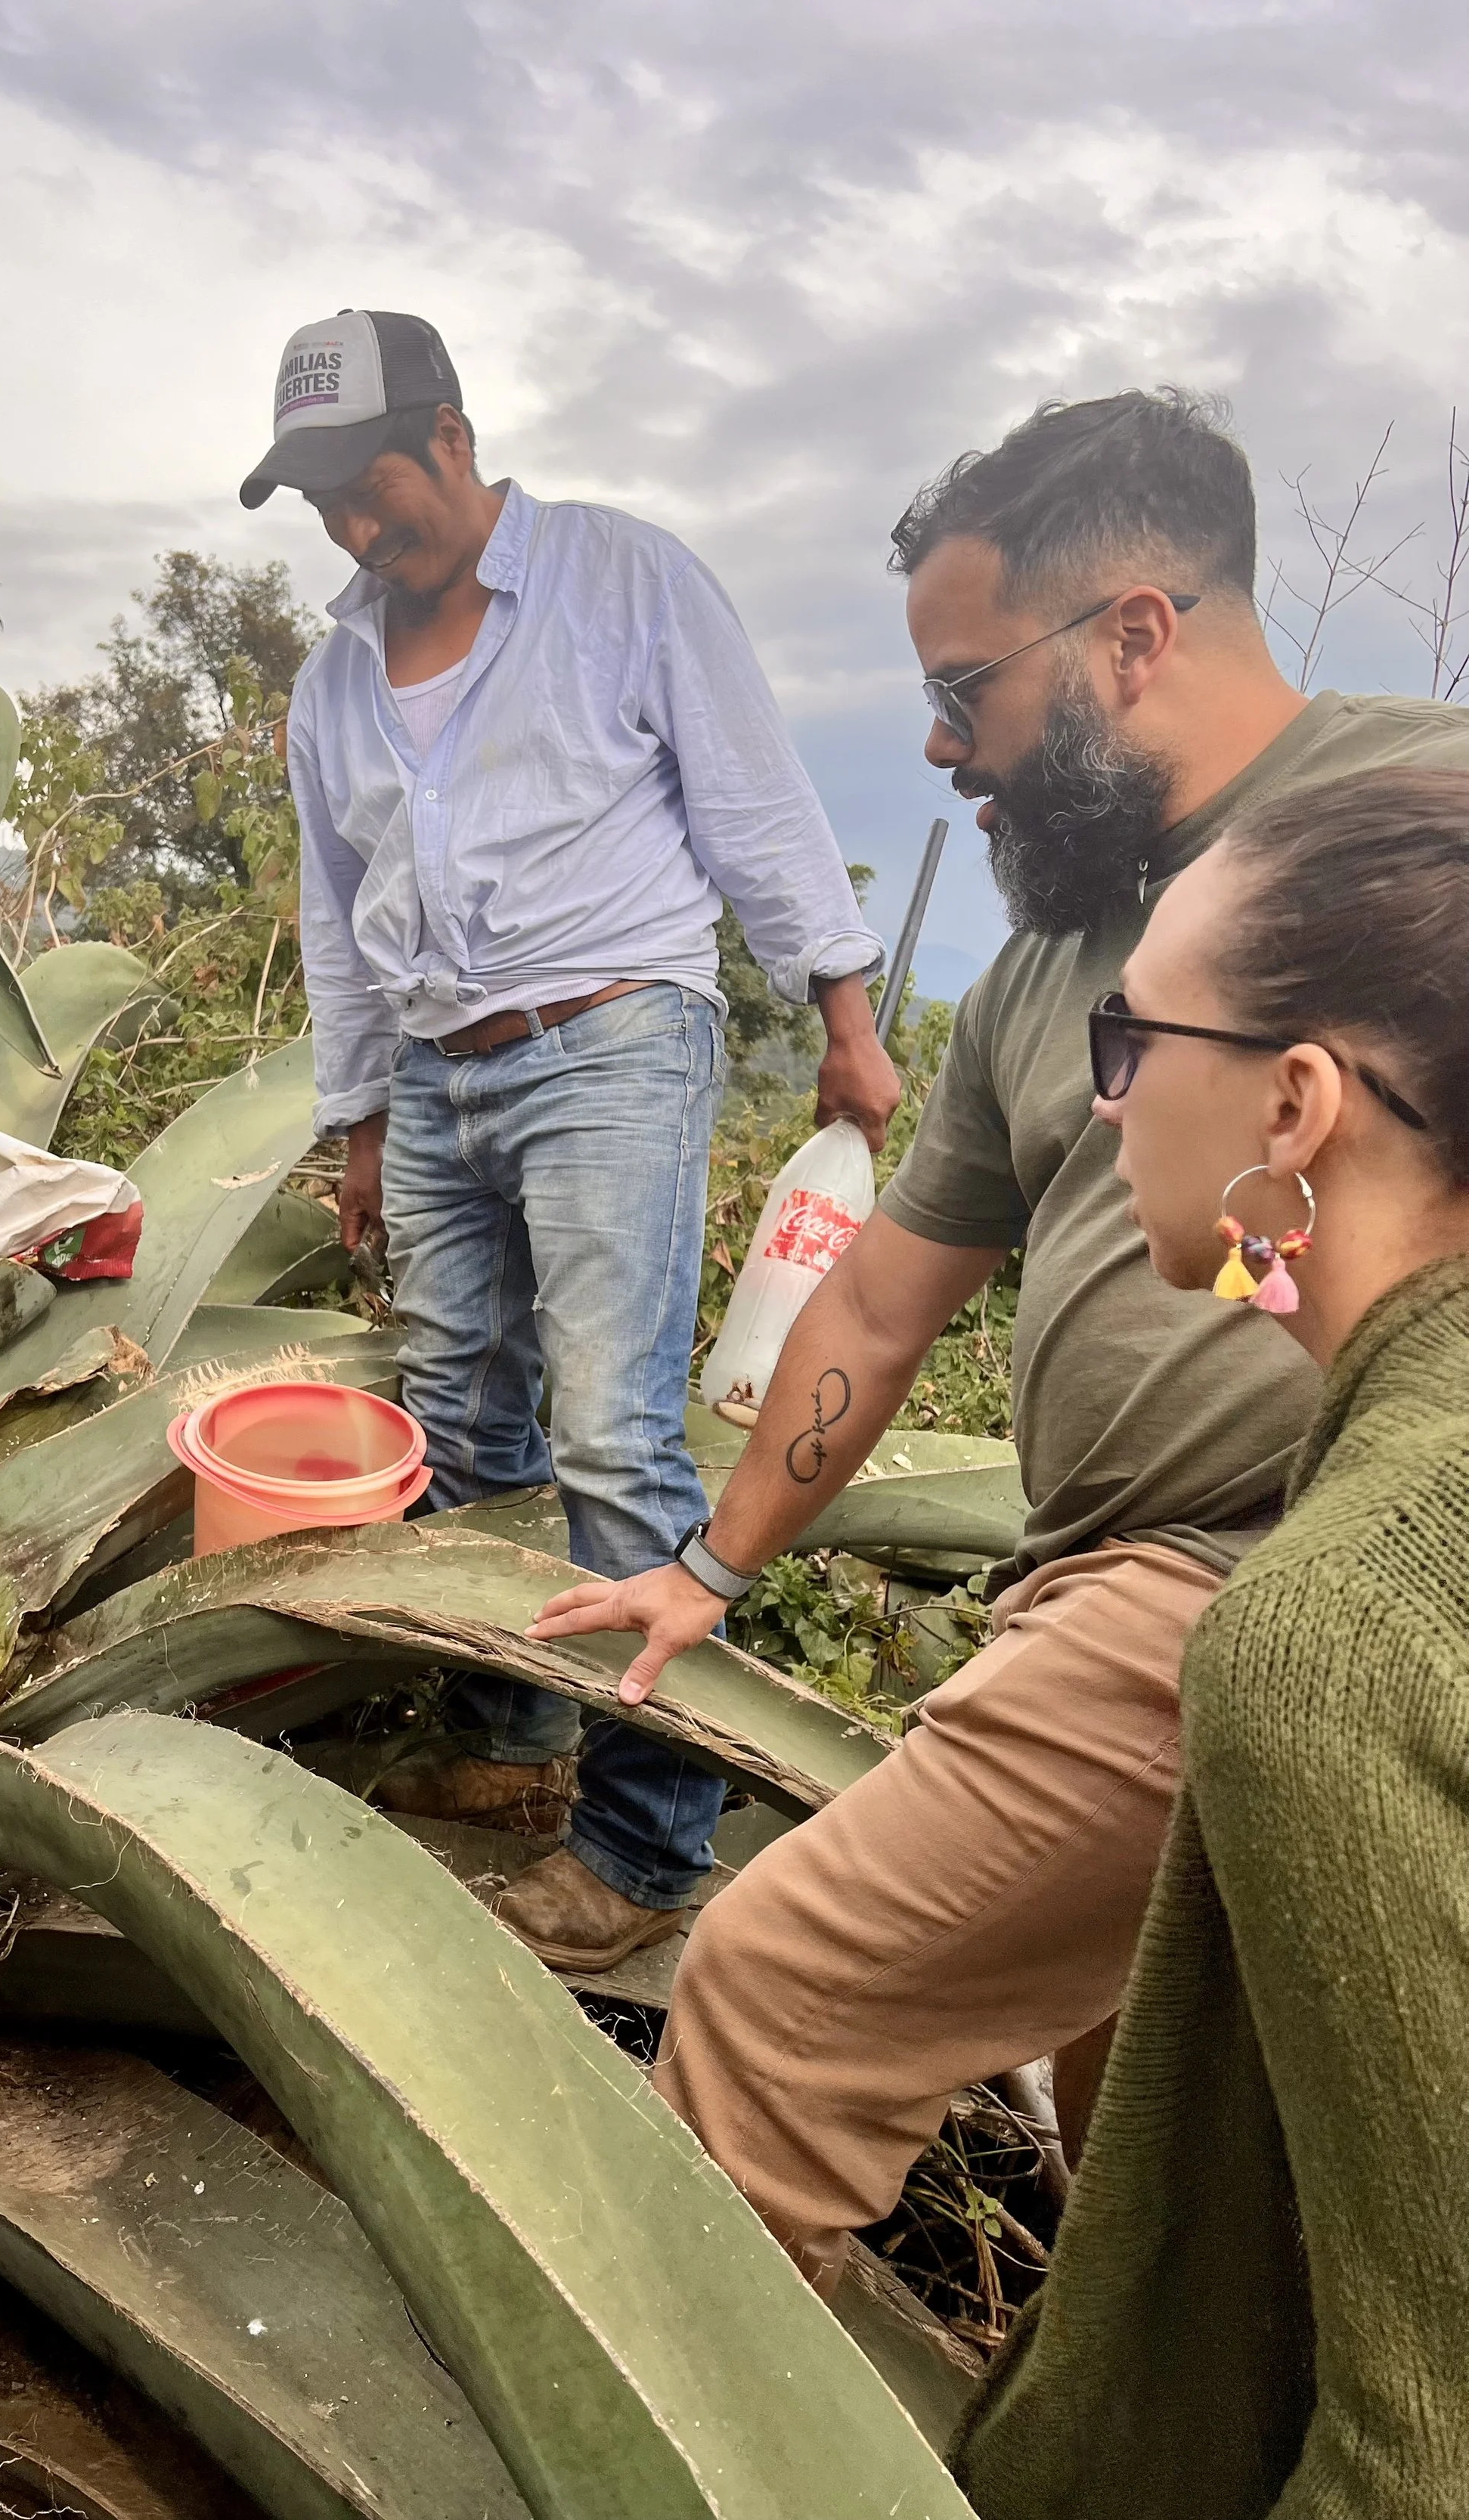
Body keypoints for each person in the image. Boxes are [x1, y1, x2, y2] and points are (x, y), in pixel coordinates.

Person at [528, 388, 1469, 2289]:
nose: (944, 746)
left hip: (1262, 1587)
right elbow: (882, 1294)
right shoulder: (1052, 958)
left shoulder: (1415, 816)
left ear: (1130, 633)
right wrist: (712, 1563)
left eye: (969, 687)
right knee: (1162, 2184)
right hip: (1092, 1594)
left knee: (778, 1996)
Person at [242, 308, 900, 1972]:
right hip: (435, 1067)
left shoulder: (620, 581)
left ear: (453, 436)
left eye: (367, 479)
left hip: (609, 1040)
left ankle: (639, 1844)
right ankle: (512, 1741)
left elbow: (752, 798)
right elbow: (338, 913)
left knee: (609, 1436)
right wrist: (359, 1122)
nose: (350, 525)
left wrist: (844, 1018)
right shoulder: (333, 680)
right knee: (464, 1420)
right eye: (317, 498)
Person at [954, 764, 1469, 2518]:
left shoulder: (1326, 1642)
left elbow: (1425, 2455)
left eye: (1132, 1045)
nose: (1104, 1112)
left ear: (1293, 1102)